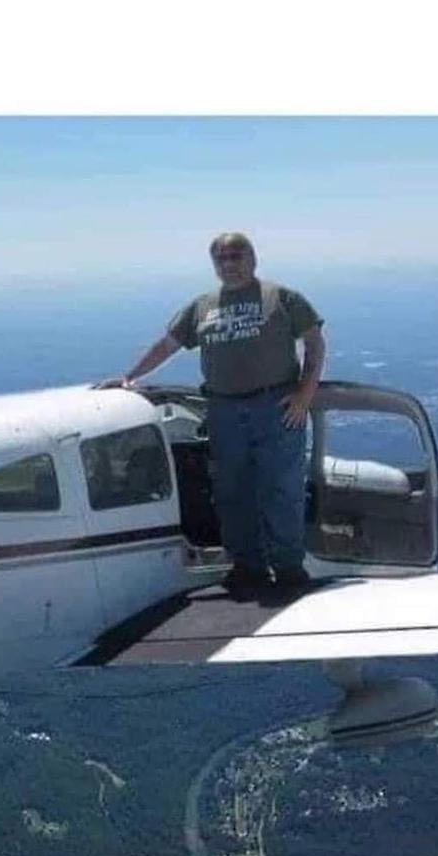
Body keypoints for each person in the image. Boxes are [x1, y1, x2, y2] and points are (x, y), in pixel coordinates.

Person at [103, 232, 326, 594]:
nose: (230, 264)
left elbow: (314, 342)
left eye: (237, 256)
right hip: (224, 409)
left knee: (282, 489)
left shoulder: (283, 298)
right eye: (222, 258)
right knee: (232, 491)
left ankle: (288, 568)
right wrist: (131, 377)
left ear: (253, 258)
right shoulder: (202, 307)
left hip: (277, 407)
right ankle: (248, 567)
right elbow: (168, 345)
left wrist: (305, 393)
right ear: (214, 265)